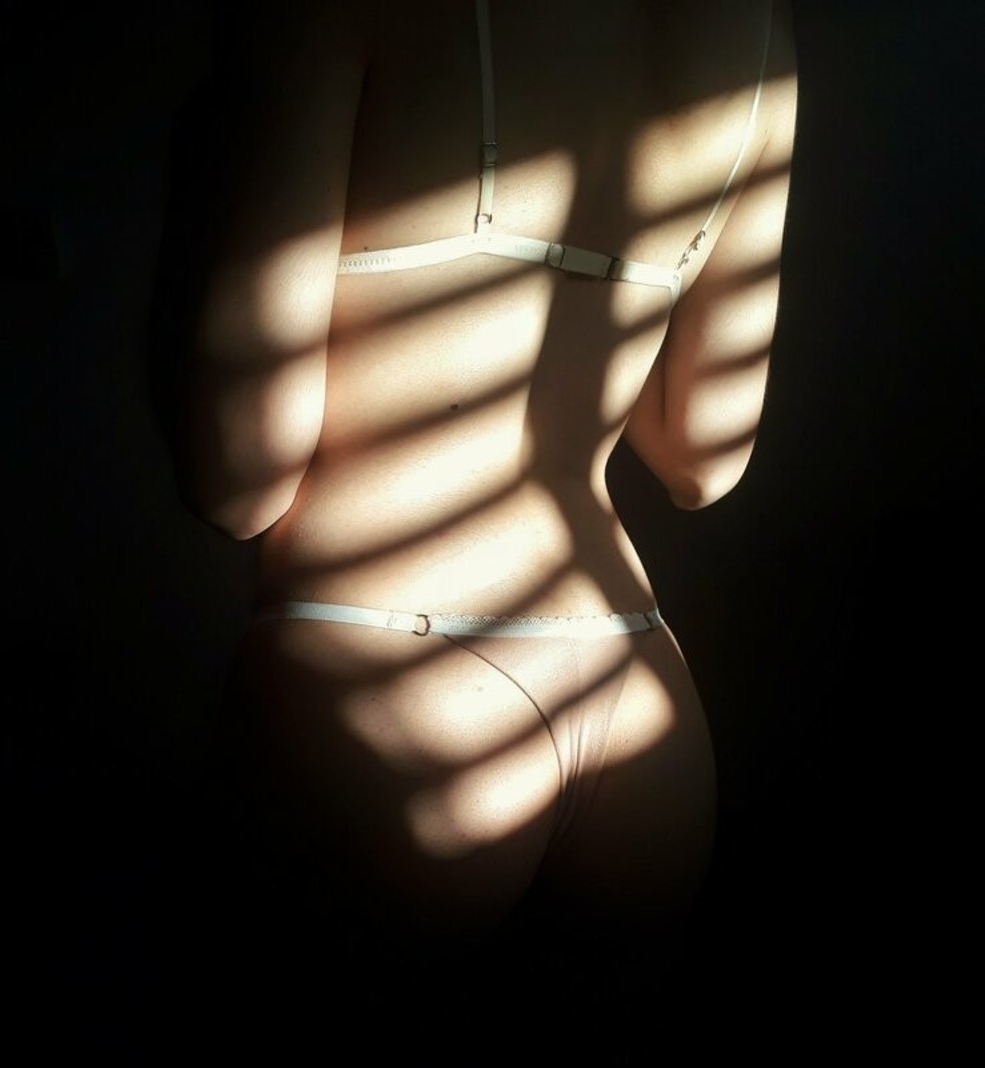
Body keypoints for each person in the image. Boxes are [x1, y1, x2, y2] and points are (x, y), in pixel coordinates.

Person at [156, 0, 797, 952]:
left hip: (390, 676)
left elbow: (239, 479)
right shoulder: (761, 40)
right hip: (634, 692)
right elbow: (704, 457)